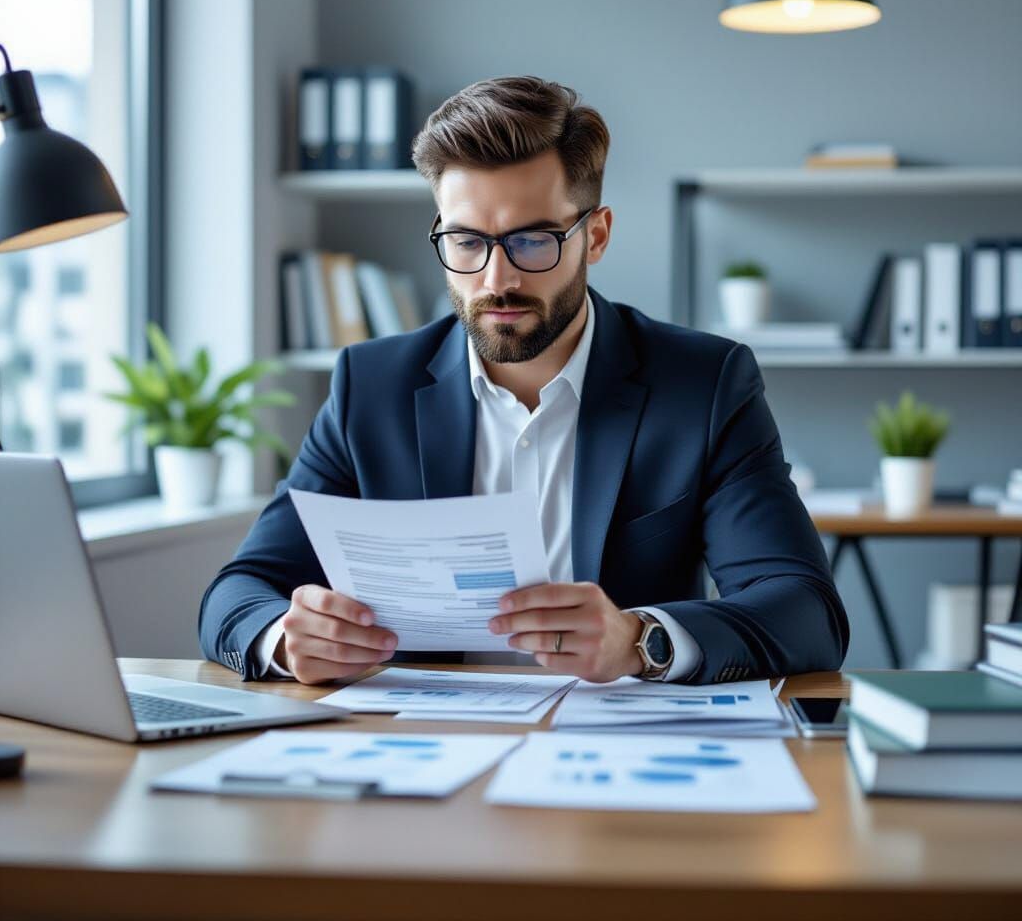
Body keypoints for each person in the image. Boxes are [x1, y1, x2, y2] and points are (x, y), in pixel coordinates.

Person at [199, 76, 849, 686]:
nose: (495, 280)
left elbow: (805, 612)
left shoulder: (703, 385)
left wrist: (640, 639)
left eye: (532, 242)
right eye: (465, 242)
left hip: (617, 761)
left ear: (594, 237)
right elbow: (239, 592)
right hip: (421, 758)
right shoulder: (371, 386)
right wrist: (284, 641)